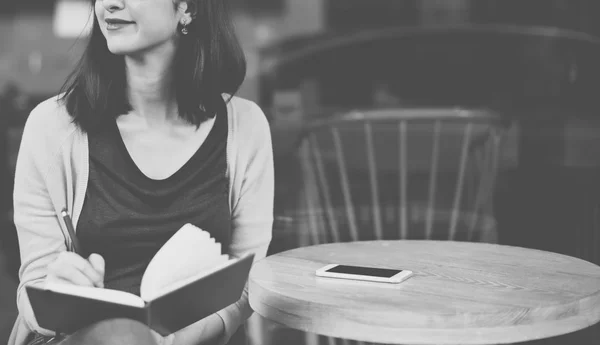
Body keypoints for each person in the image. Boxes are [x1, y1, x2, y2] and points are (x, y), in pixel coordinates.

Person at [8, 0, 274, 344]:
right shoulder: (51, 127)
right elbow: (33, 289)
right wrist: (55, 291)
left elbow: (247, 279)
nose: (110, 3)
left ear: (187, 9)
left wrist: (184, 337)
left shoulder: (246, 127)